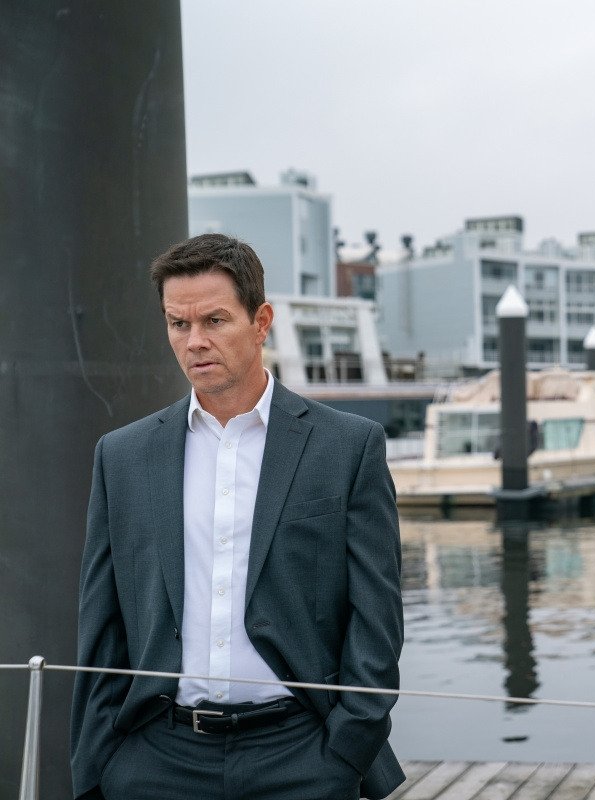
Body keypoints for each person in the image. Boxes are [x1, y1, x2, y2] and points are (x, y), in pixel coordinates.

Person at [70, 234, 404, 800]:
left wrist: (347, 749)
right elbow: (100, 623)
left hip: (302, 755)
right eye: (178, 324)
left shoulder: (348, 447)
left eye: (215, 320)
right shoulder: (122, 455)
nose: (195, 341)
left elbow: (378, 616)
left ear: (261, 321)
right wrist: (100, 762)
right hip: (157, 758)